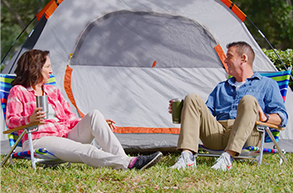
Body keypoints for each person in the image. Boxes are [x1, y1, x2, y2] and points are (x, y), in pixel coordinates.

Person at [6, 49, 162, 170]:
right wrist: (29, 119)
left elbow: (69, 118)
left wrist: (97, 123)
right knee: (85, 149)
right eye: (47, 67)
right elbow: (11, 122)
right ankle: (128, 163)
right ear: (35, 68)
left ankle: (125, 160)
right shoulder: (19, 91)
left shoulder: (53, 91)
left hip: (64, 135)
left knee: (94, 115)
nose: (51, 70)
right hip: (39, 139)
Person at [170, 41, 288, 171]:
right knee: (191, 98)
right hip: (217, 134)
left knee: (249, 100)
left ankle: (228, 157)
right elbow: (203, 114)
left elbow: (282, 118)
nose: (225, 61)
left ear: (243, 58)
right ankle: (187, 157)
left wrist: (264, 117)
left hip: (247, 137)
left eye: (229, 56)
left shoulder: (267, 84)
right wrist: (184, 110)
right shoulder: (221, 87)